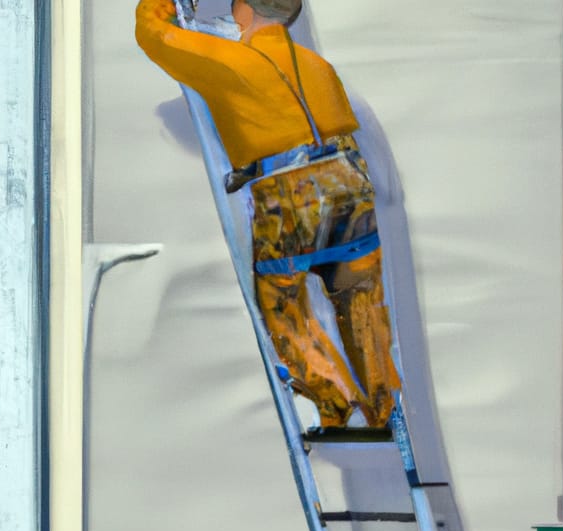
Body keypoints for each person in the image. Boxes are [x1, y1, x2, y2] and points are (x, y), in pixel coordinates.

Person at [135, 0, 401, 427]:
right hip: (348, 179)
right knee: (361, 301)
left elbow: (154, 34)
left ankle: (333, 400)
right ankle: (382, 405)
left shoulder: (231, 62)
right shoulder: (318, 66)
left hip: (291, 190)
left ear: (243, 11)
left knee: (282, 303)